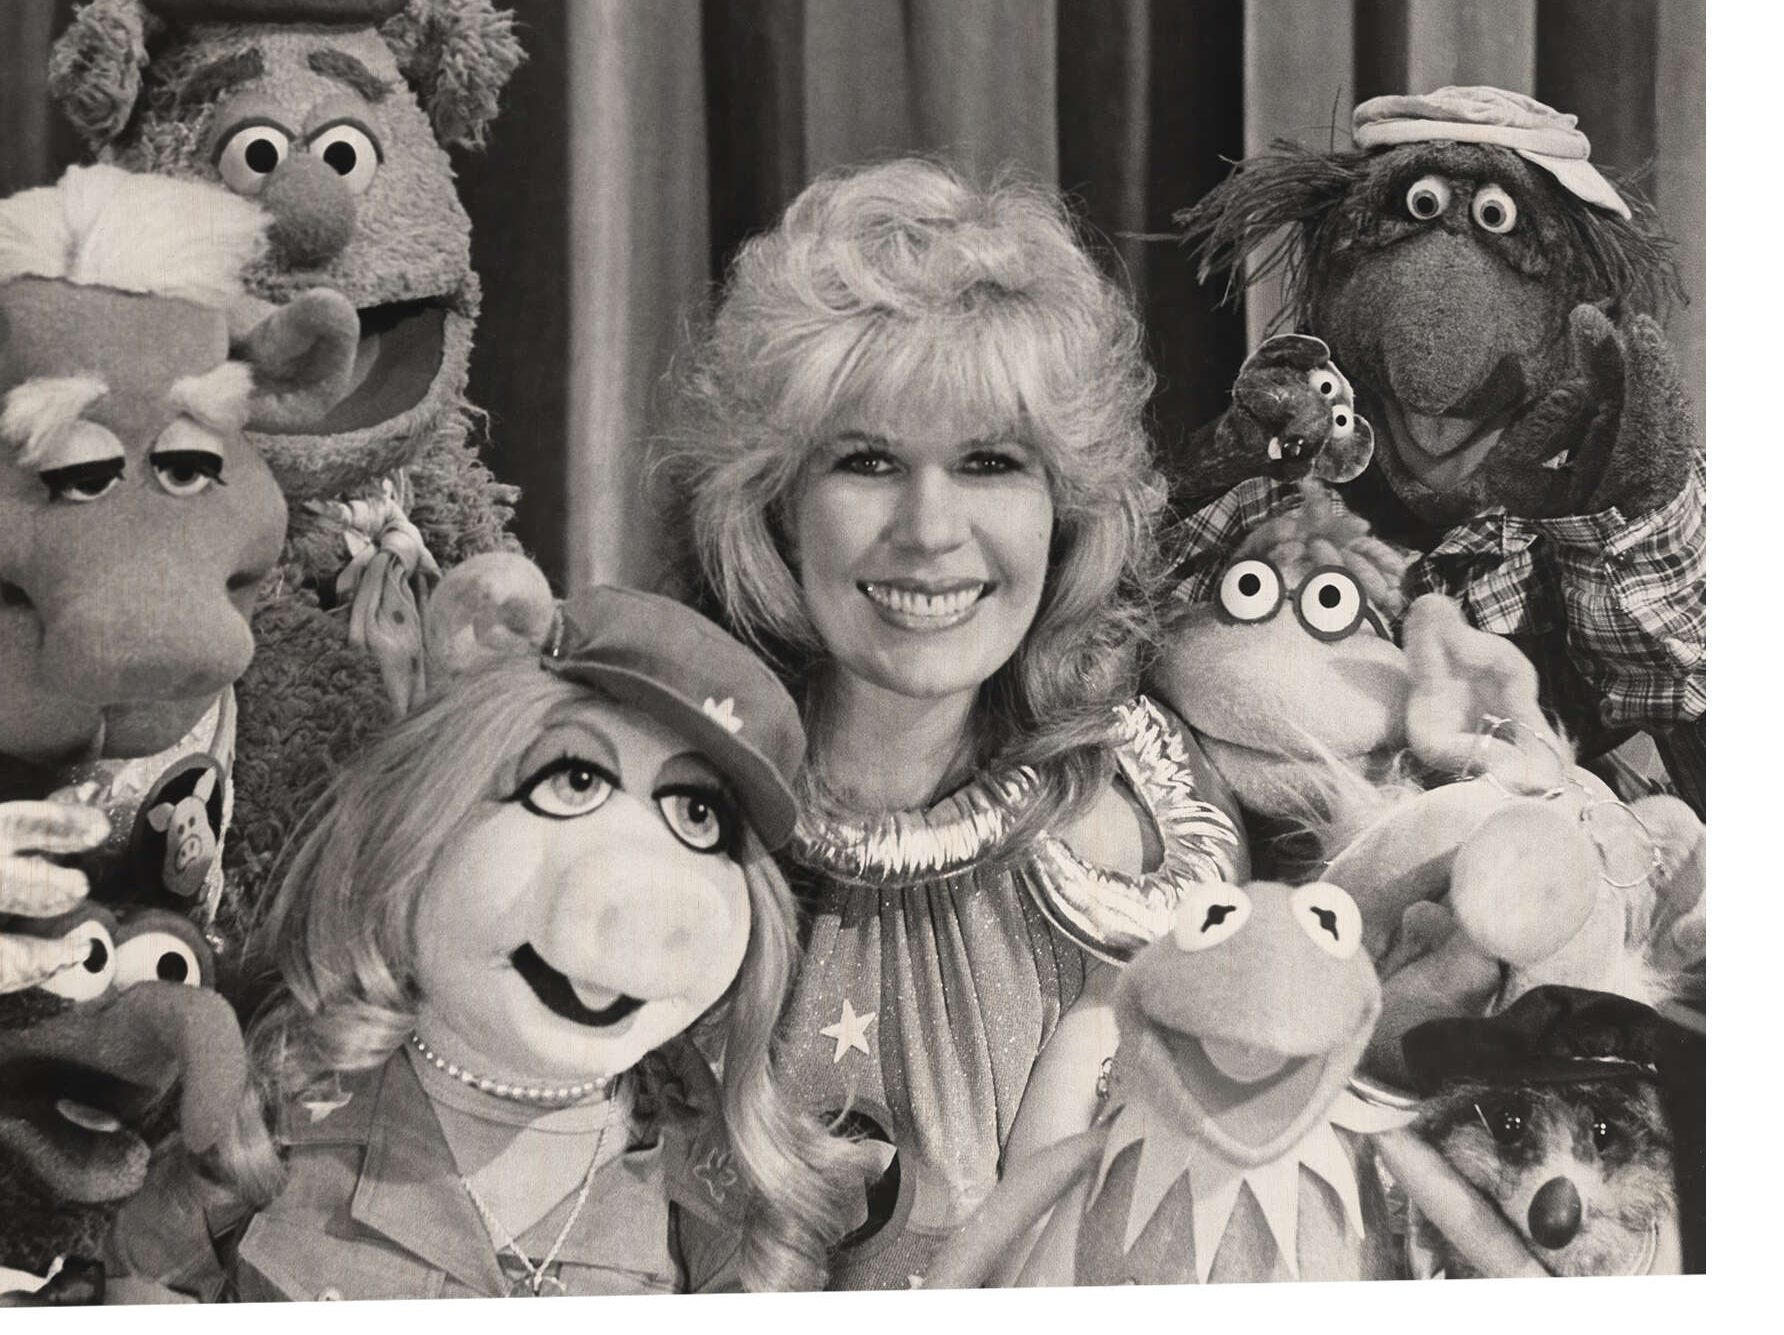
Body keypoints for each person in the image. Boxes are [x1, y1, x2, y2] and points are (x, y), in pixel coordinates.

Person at [661, 157, 1248, 1288]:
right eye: (867, 461)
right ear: (776, 505)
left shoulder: (1140, 841)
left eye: (988, 462)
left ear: (1062, 508)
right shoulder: (665, 819)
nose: (930, 530)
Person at [101, 561, 864, 1299]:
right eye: (575, 779)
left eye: (700, 818)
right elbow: (146, 1280)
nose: (648, 899)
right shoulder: (276, 1110)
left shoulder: (715, 1181)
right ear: (428, 815)